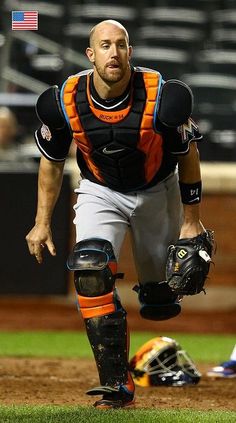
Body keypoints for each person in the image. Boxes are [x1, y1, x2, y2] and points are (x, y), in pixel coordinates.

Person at [26, 20, 207, 409]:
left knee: (161, 302)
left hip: (159, 190)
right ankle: (116, 384)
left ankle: (155, 291)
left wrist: (191, 221)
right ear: (90, 55)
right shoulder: (63, 101)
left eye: (121, 45)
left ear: (130, 52)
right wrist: (42, 222)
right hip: (99, 190)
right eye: (105, 45)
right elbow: (52, 163)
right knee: (90, 269)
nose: (114, 52)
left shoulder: (163, 97)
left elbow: (187, 155)